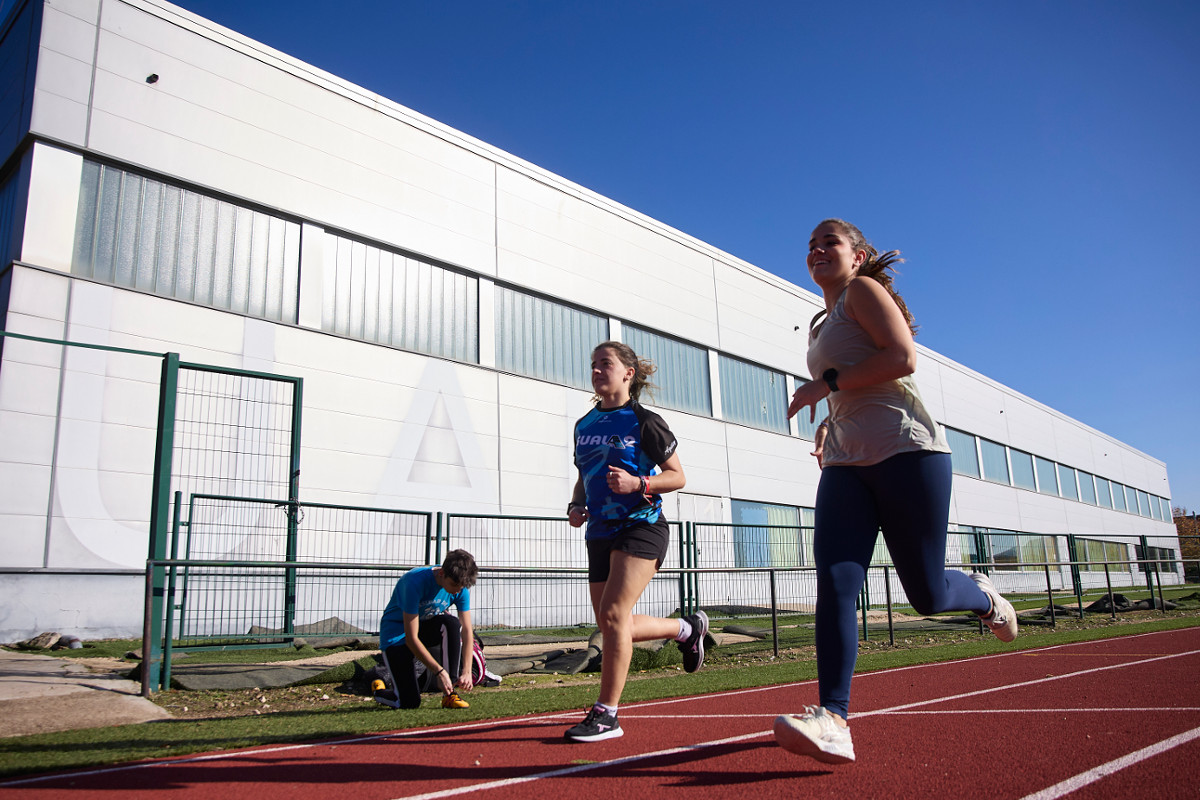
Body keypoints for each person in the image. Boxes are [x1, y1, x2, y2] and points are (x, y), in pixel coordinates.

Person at [775, 219, 1018, 764]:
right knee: (836, 582)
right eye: (810, 245)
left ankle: (980, 596)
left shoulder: (863, 291)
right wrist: (828, 422)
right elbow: (852, 389)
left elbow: (902, 358)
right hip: (845, 464)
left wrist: (826, 385)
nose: (816, 250)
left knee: (926, 596)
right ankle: (834, 717)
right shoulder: (819, 325)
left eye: (828, 243)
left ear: (857, 256)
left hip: (909, 454)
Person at [564, 340, 709, 742]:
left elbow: (677, 476)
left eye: (605, 364)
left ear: (628, 373)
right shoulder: (584, 424)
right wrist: (576, 504)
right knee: (613, 625)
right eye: (593, 364)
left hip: (641, 525)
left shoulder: (644, 421)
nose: (596, 370)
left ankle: (607, 714)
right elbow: (584, 474)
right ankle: (685, 629)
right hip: (599, 532)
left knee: (612, 616)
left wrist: (639, 483)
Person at [377, 549, 478, 710]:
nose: (457, 591)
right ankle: (379, 691)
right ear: (442, 573)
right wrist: (438, 671)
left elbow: (466, 631)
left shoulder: (460, 587)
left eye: (461, 587)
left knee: (451, 623)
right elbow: (411, 639)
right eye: (453, 585)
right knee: (409, 703)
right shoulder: (413, 582)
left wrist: (466, 671)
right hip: (397, 637)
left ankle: (449, 693)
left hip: (423, 628)